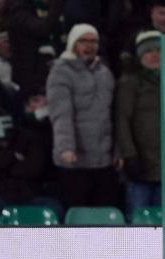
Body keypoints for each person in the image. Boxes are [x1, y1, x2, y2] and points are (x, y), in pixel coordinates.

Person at [46, 23, 120, 209]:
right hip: (74, 161)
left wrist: (118, 151)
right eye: (83, 41)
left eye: (93, 41)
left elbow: (114, 115)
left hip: (103, 160)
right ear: (72, 44)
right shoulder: (61, 72)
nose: (89, 46)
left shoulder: (104, 72)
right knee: (77, 217)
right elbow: (61, 114)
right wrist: (65, 149)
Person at [115, 31, 162, 217]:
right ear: (140, 55)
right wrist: (129, 155)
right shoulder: (130, 83)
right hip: (140, 164)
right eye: (148, 51)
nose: (154, 54)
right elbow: (122, 120)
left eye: (158, 50)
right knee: (138, 219)